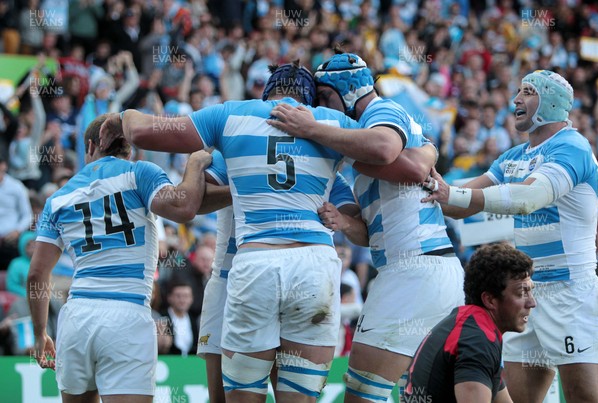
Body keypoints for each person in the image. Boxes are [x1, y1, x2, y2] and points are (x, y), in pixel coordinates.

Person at [98, 61, 395, 403]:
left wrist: (123, 118)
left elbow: (148, 134)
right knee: (298, 397)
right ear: (311, 100)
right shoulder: (333, 128)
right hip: (314, 266)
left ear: (267, 91)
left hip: (253, 265)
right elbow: (384, 150)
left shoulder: (231, 117)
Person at [269, 52, 465, 402]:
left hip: (413, 269)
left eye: (326, 98)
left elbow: (385, 148)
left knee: (362, 392)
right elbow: (372, 228)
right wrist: (345, 222)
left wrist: (311, 129)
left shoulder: (378, 111)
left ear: (346, 90)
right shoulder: (365, 134)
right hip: (425, 266)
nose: (324, 107)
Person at [422, 70, 598, 403]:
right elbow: (458, 202)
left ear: (551, 102)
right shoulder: (514, 156)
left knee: (584, 398)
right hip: (526, 294)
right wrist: (426, 179)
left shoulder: (572, 146)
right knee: (520, 401)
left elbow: (528, 198)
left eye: (528, 92)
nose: (516, 99)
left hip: (570, 292)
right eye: (518, 91)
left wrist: (452, 195)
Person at [27, 113, 212, 403]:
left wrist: (40, 333)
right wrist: (195, 163)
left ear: (89, 147)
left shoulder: (58, 199)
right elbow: (185, 207)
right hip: (126, 314)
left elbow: (37, 275)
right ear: (129, 147)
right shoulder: (139, 173)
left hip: (77, 316)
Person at [197, 149, 359, 403]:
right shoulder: (232, 150)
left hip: (291, 279)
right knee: (224, 398)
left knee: (292, 395)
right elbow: (193, 202)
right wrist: (245, 183)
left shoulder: (318, 165)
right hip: (230, 281)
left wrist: (342, 219)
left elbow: (353, 216)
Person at [404, 243, 536, 403]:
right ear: (489, 300)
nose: (532, 302)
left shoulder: (474, 326)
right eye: (522, 293)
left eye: (531, 291)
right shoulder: (477, 339)